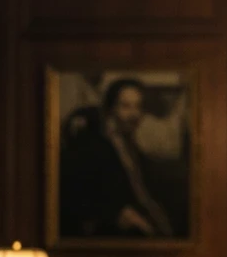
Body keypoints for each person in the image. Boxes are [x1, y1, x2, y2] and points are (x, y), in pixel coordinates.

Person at [59, 78, 174, 239]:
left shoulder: (133, 150)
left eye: (138, 107)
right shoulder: (92, 147)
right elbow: (78, 198)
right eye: (126, 106)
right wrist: (118, 214)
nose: (134, 114)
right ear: (111, 110)